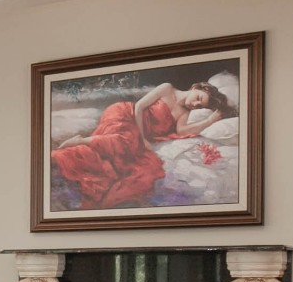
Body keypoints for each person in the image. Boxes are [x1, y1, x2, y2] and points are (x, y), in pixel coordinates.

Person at [51, 80, 231, 210]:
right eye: (198, 97)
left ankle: (82, 143)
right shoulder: (167, 89)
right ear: (195, 87)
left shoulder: (184, 113)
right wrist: (143, 138)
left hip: (133, 132)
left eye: (200, 106)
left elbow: (183, 131)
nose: (196, 103)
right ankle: (80, 141)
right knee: (127, 141)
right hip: (125, 114)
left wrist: (209, 120)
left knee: (133, 162)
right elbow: (139, 107)